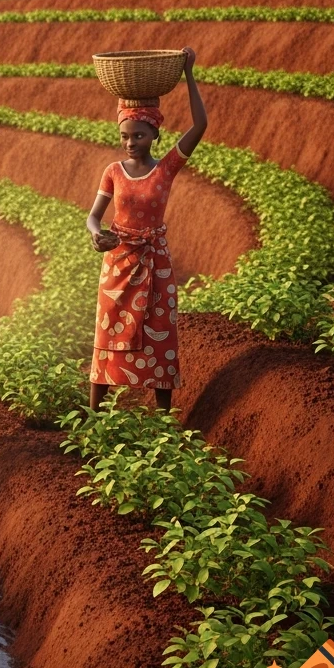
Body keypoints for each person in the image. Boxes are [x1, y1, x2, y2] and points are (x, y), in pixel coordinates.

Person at [86, 46, 208, 413]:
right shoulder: (113, 171)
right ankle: (94, 415)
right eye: (125, 136)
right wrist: (96, 234)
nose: (130, 143)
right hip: (118, 262)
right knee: (107, 333)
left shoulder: (166, 168)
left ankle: (163, 416)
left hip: (156, 263)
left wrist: (188, 74)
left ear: (154, 134)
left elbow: (200, 125)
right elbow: (93, 216)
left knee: (160, 333)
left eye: (138, 136)